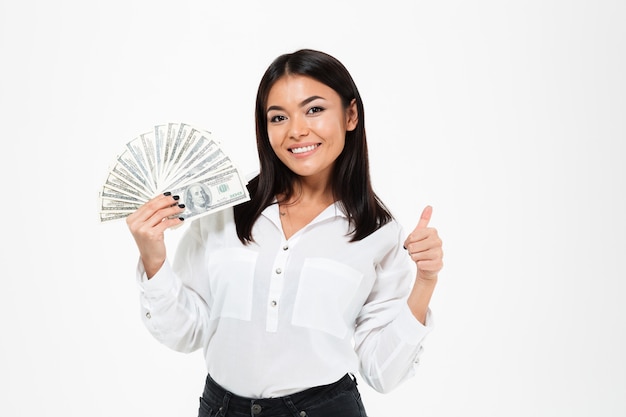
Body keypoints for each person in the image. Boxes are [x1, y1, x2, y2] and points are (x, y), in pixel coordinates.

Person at [126, 49, 443, 417]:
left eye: (314, 110)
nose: (296, 131)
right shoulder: (226, 213)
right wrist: (153, 257)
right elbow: (186, 332)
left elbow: (381, 373)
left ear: (350, 115)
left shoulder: (378, 233)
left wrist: (426, 281)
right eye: (279, 117)